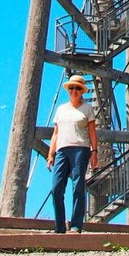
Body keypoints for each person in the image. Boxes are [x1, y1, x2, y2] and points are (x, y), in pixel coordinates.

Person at [46, 74, 98, 233]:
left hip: (80, 149)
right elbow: (55, 133)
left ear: (82, 91)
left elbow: (92, 131)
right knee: (56, 188)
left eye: (77, 88)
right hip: (62, 150)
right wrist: (50, 154)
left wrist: (94, 151)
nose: (74, 90)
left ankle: (76, 224)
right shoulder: (61, 109)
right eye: (71, 88)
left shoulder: (87, 108)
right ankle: (60, 226)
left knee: (77, 186)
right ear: (68, 90)